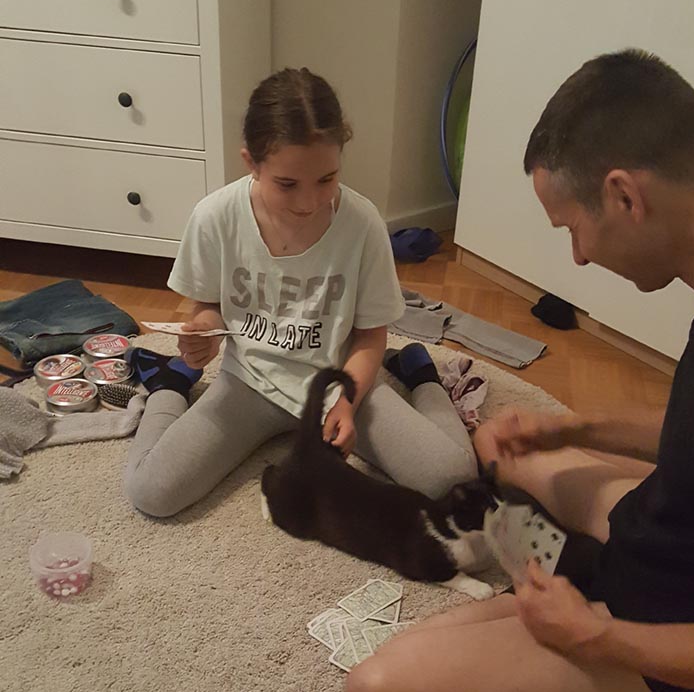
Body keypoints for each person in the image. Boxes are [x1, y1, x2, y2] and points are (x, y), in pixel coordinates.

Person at [346, 49, 694, 692]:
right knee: (506, 451)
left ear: (625, 196)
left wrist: (598, 637)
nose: (578, 256)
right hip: (666, 535)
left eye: (573, 228)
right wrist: (576, 429)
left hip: (675, 640)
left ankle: (596, 631)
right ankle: (575, 565)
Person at [124, 68, 476, 518]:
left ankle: (422, 375)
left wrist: (347, 400)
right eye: (287, 184)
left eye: (326, 179)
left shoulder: (363, 224)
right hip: (249, 380)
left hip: (337, 382)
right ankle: (170, 385)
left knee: (454, 479)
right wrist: (204, 336)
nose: (308, 202)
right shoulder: (216, 217)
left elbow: (370, 335)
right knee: (151, 491)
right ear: (251, 162)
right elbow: (209, 307)